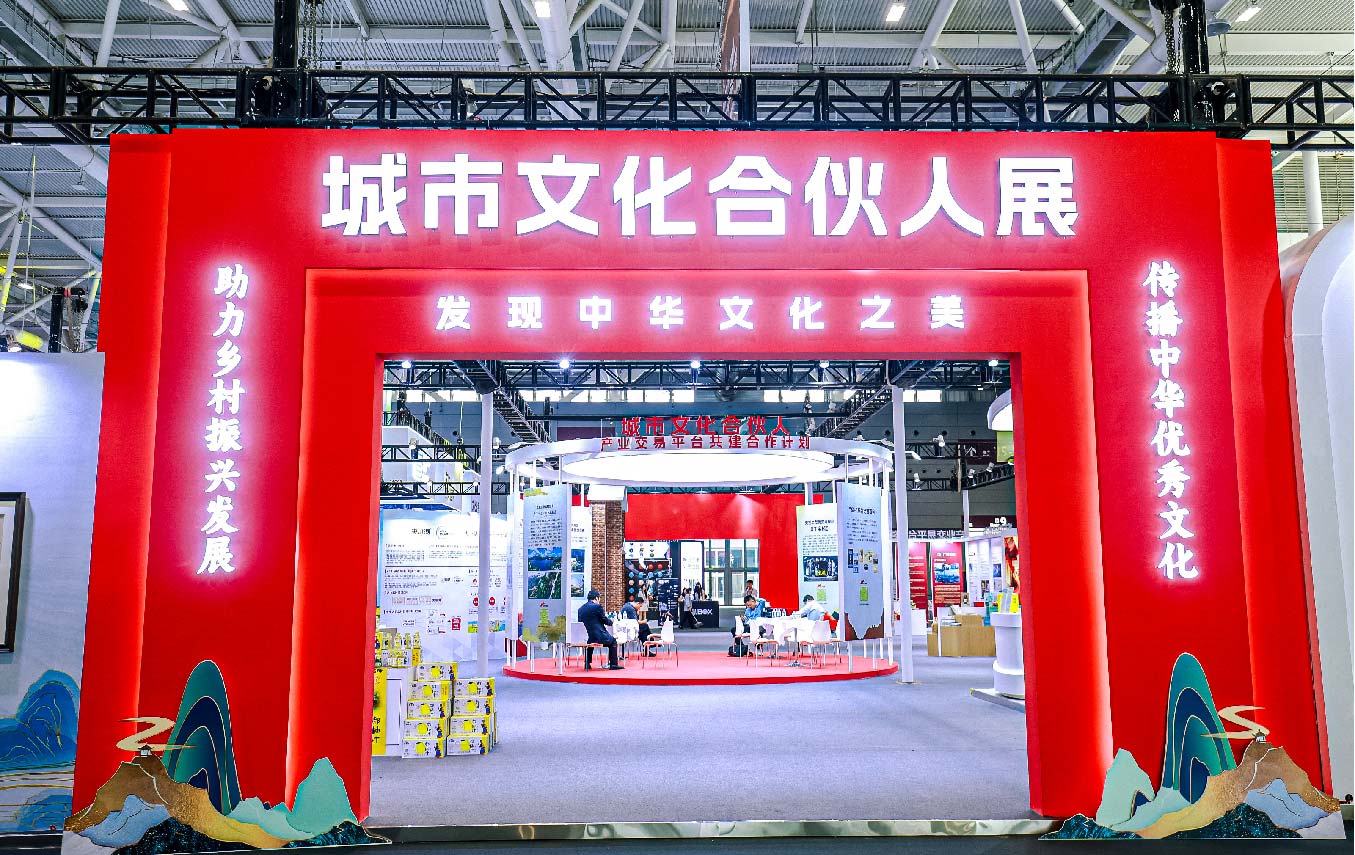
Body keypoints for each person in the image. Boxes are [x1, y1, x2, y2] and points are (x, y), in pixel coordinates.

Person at [577, 590, 622, 671]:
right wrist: (611, 622)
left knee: (590, 643)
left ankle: (587, 664)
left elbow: (581, 623)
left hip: (587, 637)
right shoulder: (597, 607)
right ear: (596, 598)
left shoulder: (580, 609)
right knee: (613, 641)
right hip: (599, 636)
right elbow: (604, 620)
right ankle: (613, 664)